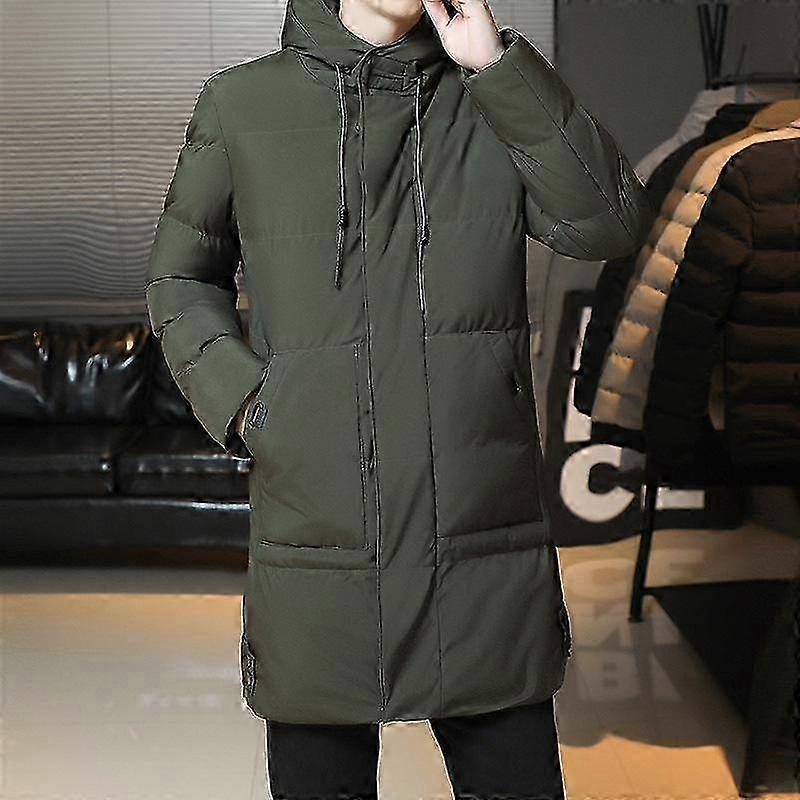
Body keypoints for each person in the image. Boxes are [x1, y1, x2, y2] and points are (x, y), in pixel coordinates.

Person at [146, 0, 653, 797]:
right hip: (320, 524)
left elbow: (611, 224)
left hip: (480, 529)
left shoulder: (490, 93)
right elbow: (179, 279)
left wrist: (496, 67)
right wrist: (252, 407)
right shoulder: (241, 104)